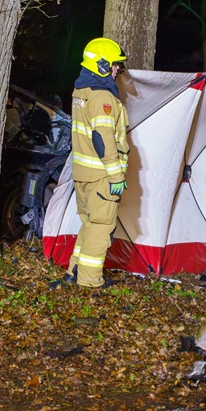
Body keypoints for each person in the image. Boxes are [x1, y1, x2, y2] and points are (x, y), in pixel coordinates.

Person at [66, 38, 130, 289]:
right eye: (114, 65)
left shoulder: (81, 92)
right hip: (101, 176)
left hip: (82, 174)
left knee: (89, 225)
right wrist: (116, 176)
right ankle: (90, 281)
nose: (117, 70)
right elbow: (102, 138)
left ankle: (74, 272)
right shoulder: (102, 96)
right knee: (101, 227)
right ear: (101, 65)